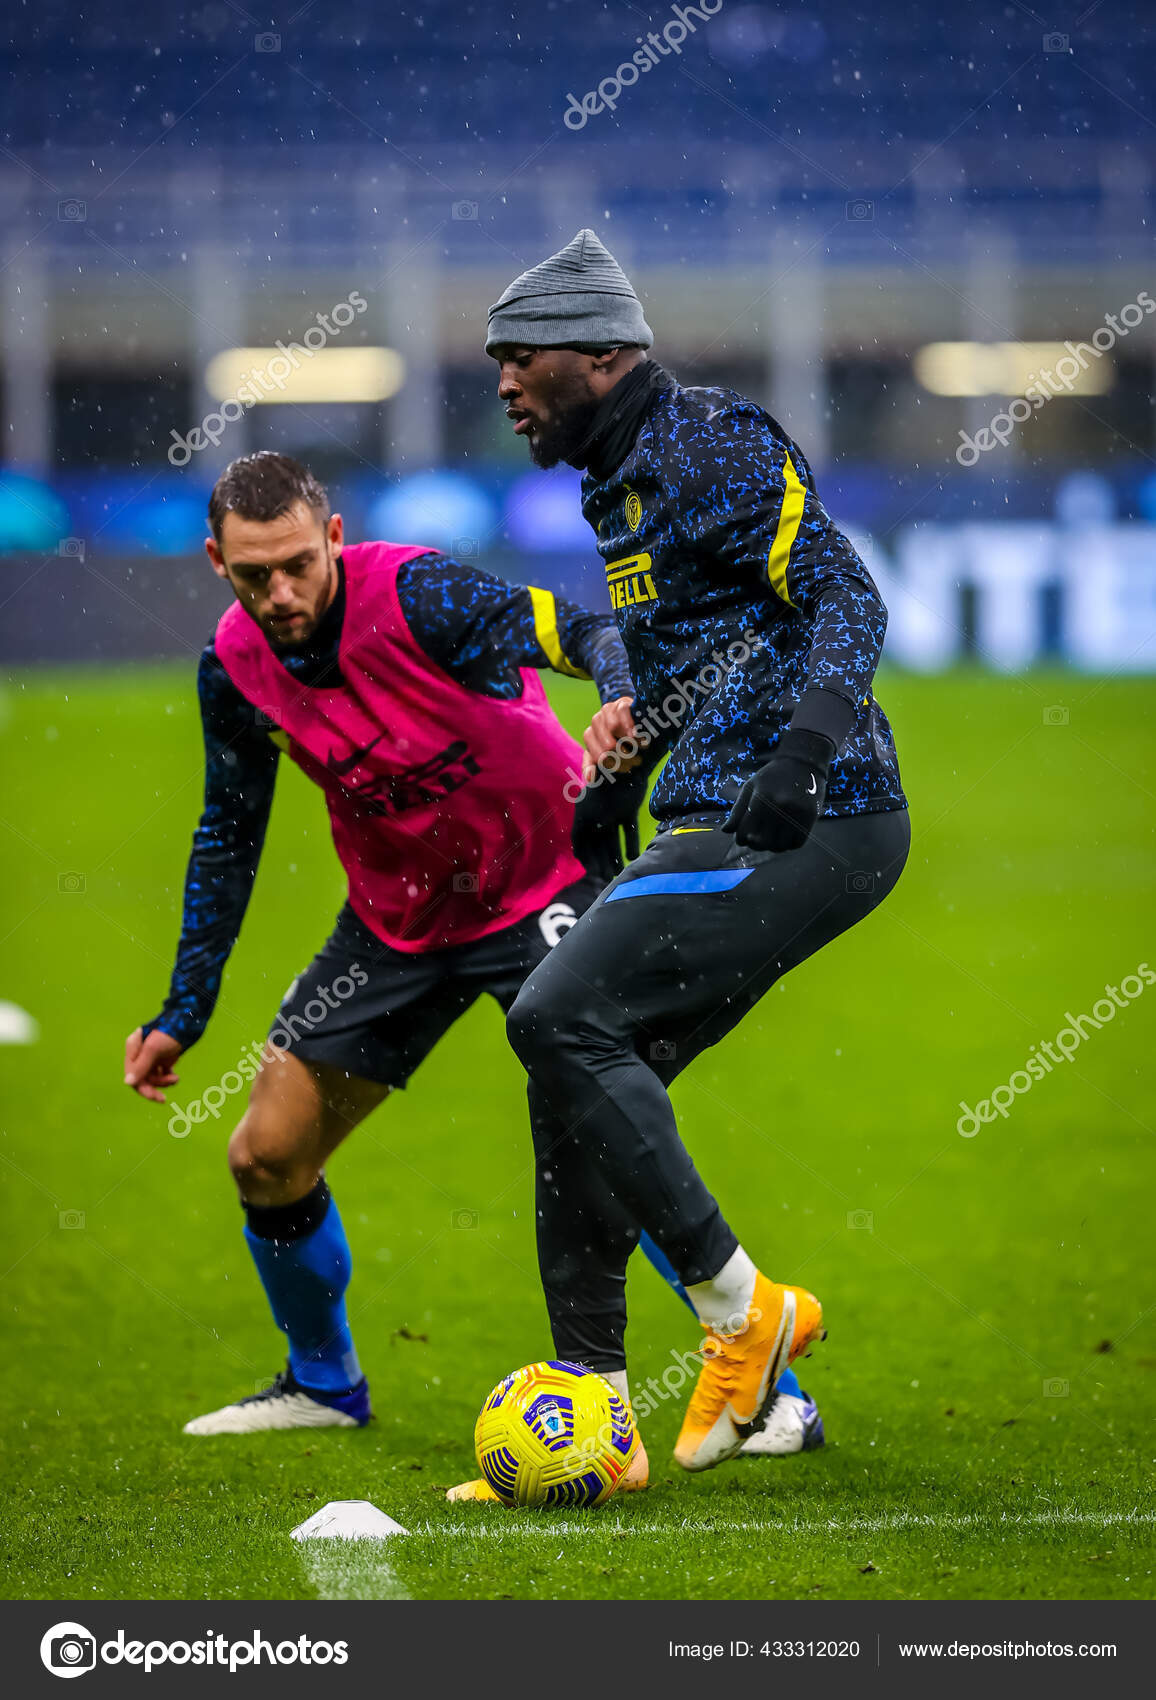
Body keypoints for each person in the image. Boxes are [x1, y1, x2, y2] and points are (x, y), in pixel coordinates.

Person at [473, 230, 910, 1480]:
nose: (502, 381)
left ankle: (743, 1314)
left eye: (520, 355)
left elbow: (846, 594)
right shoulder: (611, 480)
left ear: (602, 353)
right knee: (578, 1081)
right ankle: (601, 1416)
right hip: (713, 809)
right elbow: (699, 658)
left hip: (818, 815)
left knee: (555, 1014)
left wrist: (804, 753)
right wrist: (619, 763)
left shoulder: (705, 436)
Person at [124, 450, 641, 1435]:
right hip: (395, 920)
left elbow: (584, 629)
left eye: (296, 567)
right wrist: (184, 1010)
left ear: (333, 538)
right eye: (251, 575)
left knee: (609, 1132)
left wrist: (617, 687)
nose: (279, 594)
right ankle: (324, 1385)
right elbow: (227, 836)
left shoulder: (419, 590)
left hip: (543, 884)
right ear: (213, 561)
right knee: (265, 1157)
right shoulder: (232, 666)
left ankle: (759, 1373)